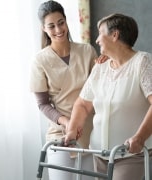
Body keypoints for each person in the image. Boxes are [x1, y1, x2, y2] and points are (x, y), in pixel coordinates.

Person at [64, 13, 152, 180]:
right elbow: (83, 104)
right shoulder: (101, 67)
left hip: (130, 155)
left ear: (114, 35)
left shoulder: (143, 62)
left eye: (100, 33)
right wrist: (72, 130)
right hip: (99, 154)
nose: (96, 40)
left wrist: (140, 138)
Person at [30, 1, 107, 180]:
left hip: (89, 133)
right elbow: (42, 104)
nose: (58, 29)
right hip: (60, 134)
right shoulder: (39, 60)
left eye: (61, 22)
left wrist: (106, 66)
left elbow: (100, 88)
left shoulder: (87, 51)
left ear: (66, 21)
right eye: (51, 26)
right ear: (43, 28)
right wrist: (67, 122)